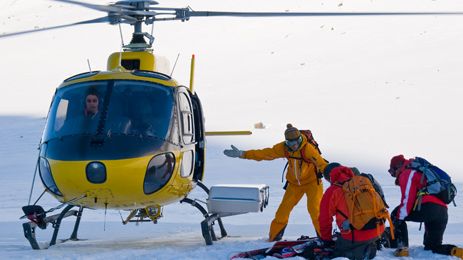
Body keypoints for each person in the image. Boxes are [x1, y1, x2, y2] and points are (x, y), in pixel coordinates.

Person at [223, 123, 328, 241]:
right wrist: (243, 154)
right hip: (294, 185)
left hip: (313, 183)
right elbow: (265, 153)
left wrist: (333, 173)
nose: (294, 146)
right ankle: (273, 238)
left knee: (315, 210)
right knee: (282, 212)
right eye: (290, 143)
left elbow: (321, 163)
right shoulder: (283, 148)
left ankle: (325, 238)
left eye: (296, 142)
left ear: (300, 139)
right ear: (286, 142)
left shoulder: (307, 149)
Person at [388, 155, 463, 258]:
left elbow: (407, 200)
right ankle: (455, 251)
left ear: (398, 166)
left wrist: (398, 219)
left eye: (392, 171)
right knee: (432, 246)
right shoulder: (419, 170)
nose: (394, 175)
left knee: (396, 214)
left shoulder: (407, 173)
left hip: (428, 208)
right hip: (442, 211)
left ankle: (401, 248)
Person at [317, 163, 385, 260]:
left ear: (330, 177)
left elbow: (325, 219)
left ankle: (357, 253)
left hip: (355, 235)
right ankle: (369, 244)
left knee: (335, 254)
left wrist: (326, 240)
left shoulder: (333, 191)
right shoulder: (363, 182)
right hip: (378, 229)